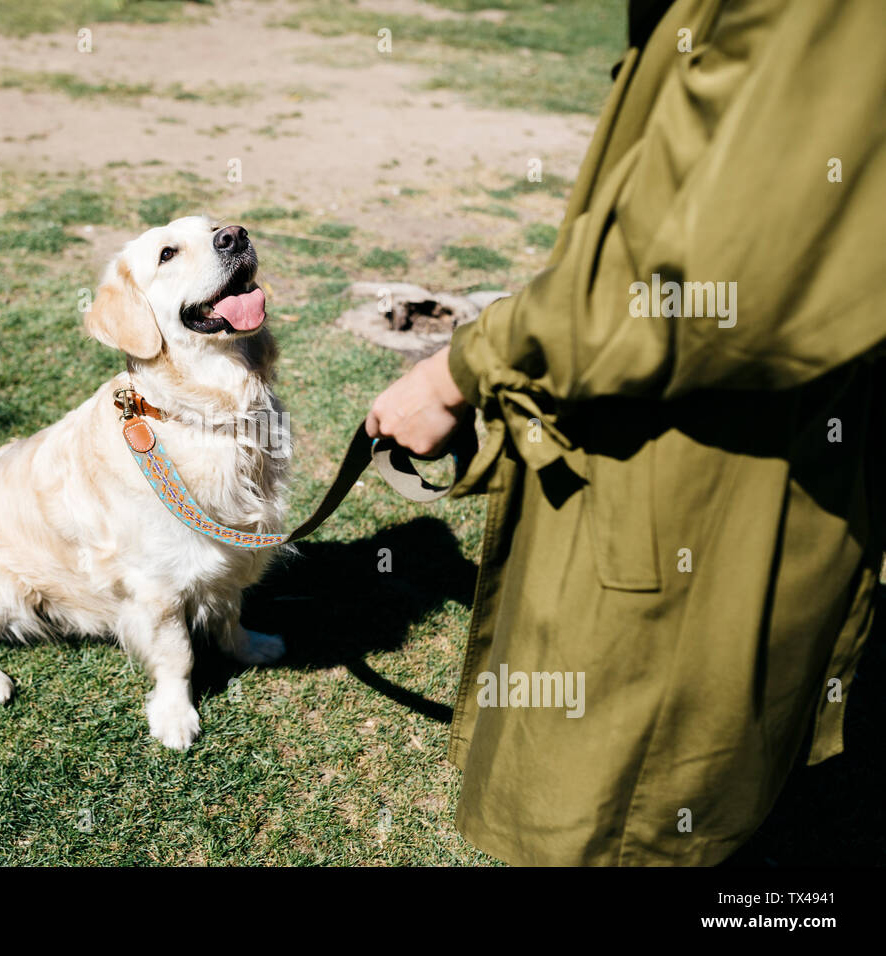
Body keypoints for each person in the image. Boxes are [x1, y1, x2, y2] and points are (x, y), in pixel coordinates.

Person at [365, 0, 885, 865]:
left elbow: (702, 279)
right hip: (669, 457)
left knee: (626, 810)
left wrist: (461, 369)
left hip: (701, 485)